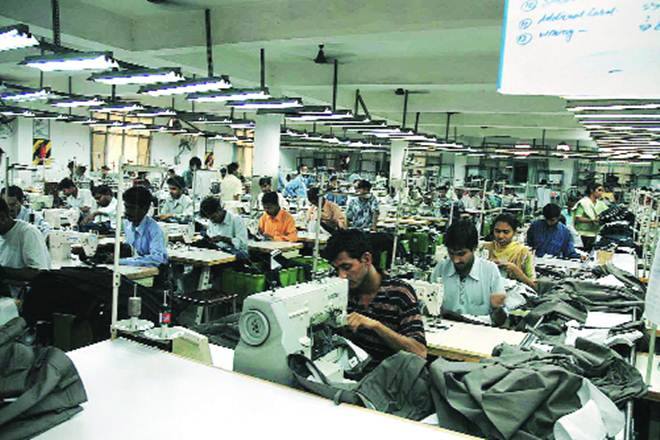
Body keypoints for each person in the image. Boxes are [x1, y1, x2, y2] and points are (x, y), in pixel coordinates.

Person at [323, 229, 427, 369]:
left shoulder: (399, 293)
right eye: (336, 270)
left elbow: (419, 352)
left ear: (366, 259)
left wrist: (376, 326)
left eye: (347, 267)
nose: (342, 275)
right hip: (351, 372)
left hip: (389, 377)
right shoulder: (340, 293)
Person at [430, 220, 507, 326]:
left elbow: (500, 320)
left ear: (474, 248)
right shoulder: (441, 268)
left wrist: (498, 308)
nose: (455, 260)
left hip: (478, 331)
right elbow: (427, 305)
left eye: (461, 254)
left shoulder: (490, 271)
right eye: (451, 253)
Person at [0, 198, 50, 296]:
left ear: (2, 218)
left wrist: (3, 272)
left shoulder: (27, 233)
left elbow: (39, 273)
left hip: (23, 297)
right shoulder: (2, 233)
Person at [120, 186, 168, 267]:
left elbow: (157, 259)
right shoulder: (127, 224)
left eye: (132, 208)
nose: (126, 212)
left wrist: (121, 261)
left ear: (145, 209)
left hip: (156, 272)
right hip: (139, 267)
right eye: (126, 207)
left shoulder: (154, 230)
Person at [485, 213, 536, 289]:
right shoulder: (486, 248)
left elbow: (533, 285)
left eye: (506, 232)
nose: (500, 236)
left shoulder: (523, 252)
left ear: (514, 232)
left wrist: (516, 270)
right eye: (497, 231)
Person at [573, 183, 608, 252]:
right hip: (583, 234)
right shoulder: (583, 202)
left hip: (595, 233)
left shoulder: (601, 204)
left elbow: (607, 212)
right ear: (592, 190)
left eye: (602, 191)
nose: (601, 193)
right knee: (583, 253)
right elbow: (578, 218)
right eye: (599, 190)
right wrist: (592, 220)